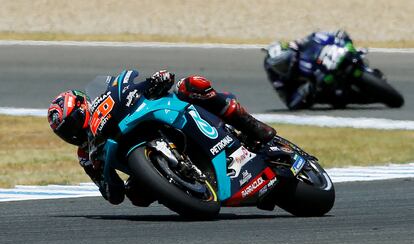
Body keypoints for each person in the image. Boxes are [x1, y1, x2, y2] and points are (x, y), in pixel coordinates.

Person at [47, 69, 276, 206]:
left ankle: (251, 126)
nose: (73, 133)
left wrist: (156, 80)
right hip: (146, 163)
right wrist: (107, 181)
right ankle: (188, 186)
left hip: (159, 120)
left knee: (191, 85)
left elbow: (137, 87)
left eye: (73, 124)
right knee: (136, 196)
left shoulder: (105, 102)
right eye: (66, 133)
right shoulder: (86, 156)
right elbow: (112, 195)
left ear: (82, 108)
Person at [263, 30, 352, 109]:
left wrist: (334, 35)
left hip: (324, 61)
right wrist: (309, 87)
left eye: (284, 64)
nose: (282, 68)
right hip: (316, 86)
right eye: (279, 66)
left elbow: (315, 36)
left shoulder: (297, 46)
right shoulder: (276, 77)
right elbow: (291, 103)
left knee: (342, 37)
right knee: (336, 98)